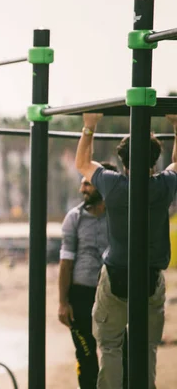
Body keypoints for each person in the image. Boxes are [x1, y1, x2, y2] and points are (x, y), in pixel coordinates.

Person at [75, 113, 177, 389]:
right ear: (155, 160)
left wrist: (90, 126)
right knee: (147, 348)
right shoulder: (164, 185)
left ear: (123, 161)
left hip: (116, 275)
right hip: (151, 277)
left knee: (110, 347)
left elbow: (82, 163)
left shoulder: (113, 184)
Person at [58, 161, 118, 389]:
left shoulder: (119, 216)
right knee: (86, 357)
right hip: (81, 296)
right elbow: (66, 262)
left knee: (118, 355)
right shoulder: (74, 218)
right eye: (82, 183)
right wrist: (63, 302)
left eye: (88, 184)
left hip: (113, 295)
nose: (82, 189)